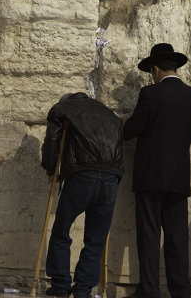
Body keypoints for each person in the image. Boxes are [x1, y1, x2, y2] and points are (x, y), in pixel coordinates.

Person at [123, 43, 191, 298]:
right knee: (176, 236)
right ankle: (180, 290)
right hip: (178, 177)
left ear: (156, 69)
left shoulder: (150, 94)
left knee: (149, 235)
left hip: (150, 176)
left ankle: (149, 290)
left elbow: (130, 131)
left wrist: (125, 123)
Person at [41, 92, 124, 298]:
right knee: (96, 239)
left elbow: (53, 139)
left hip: (82, 177)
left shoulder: (62, 109)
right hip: (111, 179)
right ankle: (83, 290)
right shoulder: (110, 115)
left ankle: (60, 285)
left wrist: (51, 169)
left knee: (62, 230)